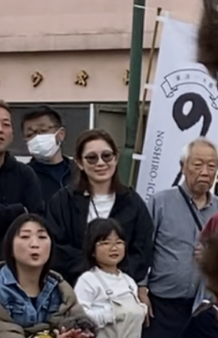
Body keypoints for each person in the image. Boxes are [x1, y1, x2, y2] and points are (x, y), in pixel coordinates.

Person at [140, 139, 218, 338]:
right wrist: (141, 287)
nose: (205, 172)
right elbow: (143, 248)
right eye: (198, 165)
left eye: (212, 166)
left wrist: (212, 258)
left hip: (203, 307)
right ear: (183, 166)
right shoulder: (161, 202)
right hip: (163, 303)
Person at [46, 129, 153, 288]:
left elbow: (142, 251)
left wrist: (114, 273)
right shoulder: (63, 201)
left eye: (107, 156)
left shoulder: (133, 202)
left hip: (121, 289)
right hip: (73, 288)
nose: (101, 163)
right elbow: (56, 247)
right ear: (80, 163)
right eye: (91, 158)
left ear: (116, 158)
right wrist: (93, 270)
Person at [0, 101, 43, 242]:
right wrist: (18, 211)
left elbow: (36, 222)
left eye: (6, 124)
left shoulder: (25, 174)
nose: (0, 129)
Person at [21, 105, 73, 205]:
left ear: (61, 134)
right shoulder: (23, 176)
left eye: (43, 131)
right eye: (30, 134)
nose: (37, 138)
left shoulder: (80, 173)